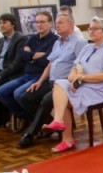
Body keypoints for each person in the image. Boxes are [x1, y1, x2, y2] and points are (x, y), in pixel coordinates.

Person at [42, 17, 103, 153]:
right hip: (84, 84)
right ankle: (59, 123)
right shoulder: (87, 47)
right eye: (89, 28)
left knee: (64, 101)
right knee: (60, 83)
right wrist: (73, 77)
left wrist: (82, 78)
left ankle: (65, 135)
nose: (90, 31)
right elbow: (75, 66)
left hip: (100, 89)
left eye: (94, 29)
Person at [14, 13, 86, 148]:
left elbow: (80, 66)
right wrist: (39, 82)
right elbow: (50, 64)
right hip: (50, 81)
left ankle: (30, 134)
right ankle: (48, 122)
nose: (57, 25)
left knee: (46, 101)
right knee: (25, 97)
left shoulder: (79, 42)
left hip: (64, 84)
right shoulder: (58, 42)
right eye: (56, 23)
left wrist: (69, 81)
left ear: (71, 25)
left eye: (60, 23)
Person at [0, 11, 58, 127]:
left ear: (50, 24)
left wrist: (31, 56)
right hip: (26, 74)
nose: (39, 25)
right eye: (37, 22)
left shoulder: (55, 40)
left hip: (40, 75)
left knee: (18, 94)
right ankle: (29, 119)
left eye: (42, 22)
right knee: (0, 92)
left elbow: (46, 61)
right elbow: (22, 54)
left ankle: (44, 122)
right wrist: (36, 55)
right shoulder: (32, 38)